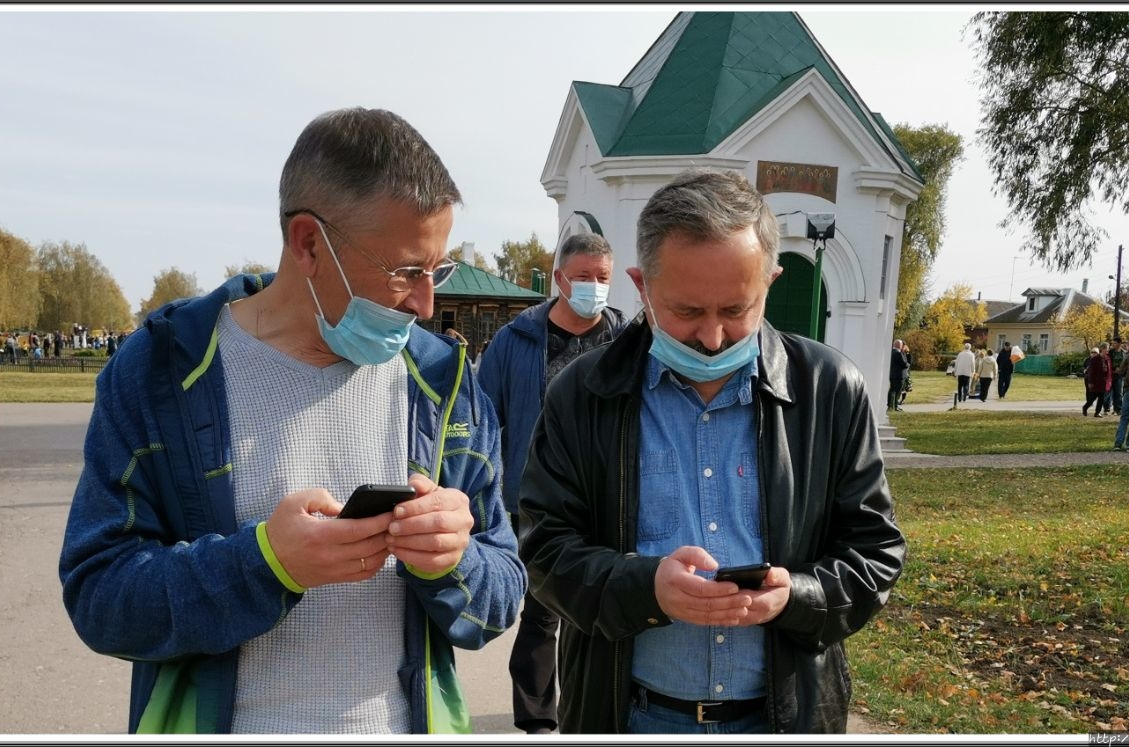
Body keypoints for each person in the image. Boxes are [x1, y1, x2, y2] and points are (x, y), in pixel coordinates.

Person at [58, 108, 526, 735]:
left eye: (435, 270)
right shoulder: (161, 372)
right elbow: (100, 599)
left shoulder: (443, 383)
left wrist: (457, 561)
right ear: (308, 243)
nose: (426, 303)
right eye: (405, 271)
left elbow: (501, 597)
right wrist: (264, 564)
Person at [516, 169, 907, 734]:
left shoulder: (829, 389)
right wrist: (645, 587)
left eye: (734, 310)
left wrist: (794, 597)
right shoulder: (582, 394)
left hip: (783, 719)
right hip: (632, 716)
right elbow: (544, 549)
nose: (713, 337)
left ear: (770, 282)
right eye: (688, 312)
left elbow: (876, 553)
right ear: (641, 286)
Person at [476, 232, 628, 735]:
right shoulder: (516, 341)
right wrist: (483, 494)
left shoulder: (626, 341)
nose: (593, 287)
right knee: (542, 613)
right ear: (560, 278)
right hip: (537, 500)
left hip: (611, 498)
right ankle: (538, 719)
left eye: (602, 278)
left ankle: (597, 712)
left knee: (604, 610)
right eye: (583, 277)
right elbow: (480, 419)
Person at [1081, 347, 1108, 418]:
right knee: (1092, 398)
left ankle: (1097, 412)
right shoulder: (1094, 359)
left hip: (1102, 382)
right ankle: (1085, 407)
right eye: (1105, 351)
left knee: (1101, 398)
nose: (1106, 353)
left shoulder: (1106, 360)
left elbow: (1107, 370)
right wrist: (1090, 382)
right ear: (1101, 351)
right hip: (1095, 382)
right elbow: (1091, 372)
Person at [888, 339, 908, 411]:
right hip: (899, 376)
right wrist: (907, 364)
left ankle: (890, 405)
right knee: (897, 392)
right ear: (900, 345)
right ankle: (896, 406)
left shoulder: (891, 352)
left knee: (892, 390)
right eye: (902, 345)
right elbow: (904, 363)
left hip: (892, 375)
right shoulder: (898, 353)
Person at [1107, 337, 1125, 415]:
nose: (1113, 345)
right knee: (1108, 392)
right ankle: (1106, 408)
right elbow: (1107, 362)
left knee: (1118, 392)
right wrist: (1114, 369)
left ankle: (1118, 409)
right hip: (1110, 375)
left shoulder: (1124, 353)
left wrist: (1121, 369)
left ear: (1119, 344)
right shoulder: (1110, 352)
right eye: (1112, 343)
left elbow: (1126, 363)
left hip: (1119, 376)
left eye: (1114, 343)